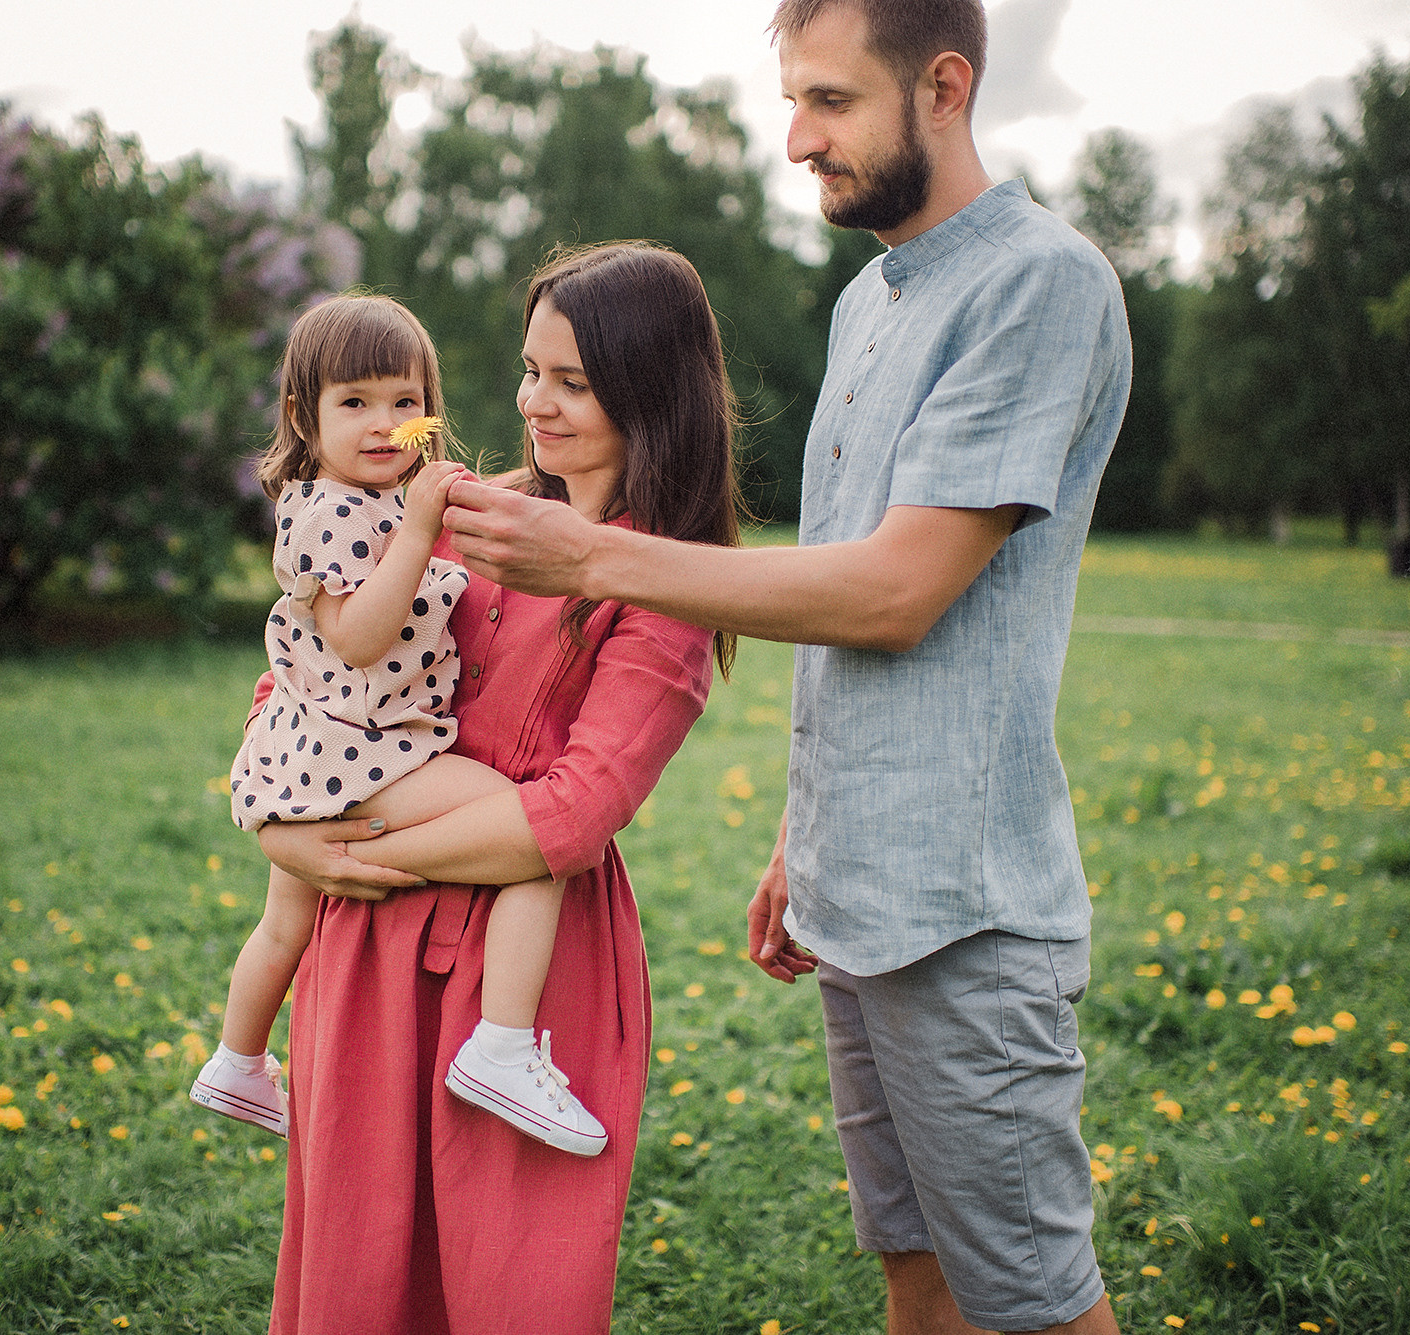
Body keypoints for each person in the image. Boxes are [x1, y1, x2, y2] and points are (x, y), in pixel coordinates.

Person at [440, 1, 1131, 1331]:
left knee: (1037, 1303)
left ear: (944, 86)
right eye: (792, 103)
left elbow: (894, 591)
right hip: (858, 884)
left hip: (965, 914)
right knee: (916, 1271)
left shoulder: (1040, 283)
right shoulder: (873, 298)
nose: (799, 139)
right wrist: (803, 833)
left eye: (830, 101)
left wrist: (587, 560)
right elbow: (836, 585)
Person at [251, 242, 741, 1333]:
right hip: (368, 950)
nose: (533, 403)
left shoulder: (666, 581)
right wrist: (289, 836)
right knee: (359, 1275)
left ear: (650, 395)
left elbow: (573, 810)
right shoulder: (461, 511)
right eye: (530, 371)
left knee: (515, 1287)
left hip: (527, 978)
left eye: (572, 382)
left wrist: (350, 840)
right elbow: (301, 672)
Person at [191, 294, 607, 1157]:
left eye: (405, 402)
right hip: (369, 748)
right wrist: (421, 526)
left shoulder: (376, 497)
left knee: (283, 925)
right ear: (304, 417)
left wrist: (432, 507)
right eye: (355, 403)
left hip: (328, 745)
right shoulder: (332, 512)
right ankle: (503, 1045)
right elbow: (356, 635)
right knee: (534, 833)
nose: (385, 425)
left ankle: (237, 1060)